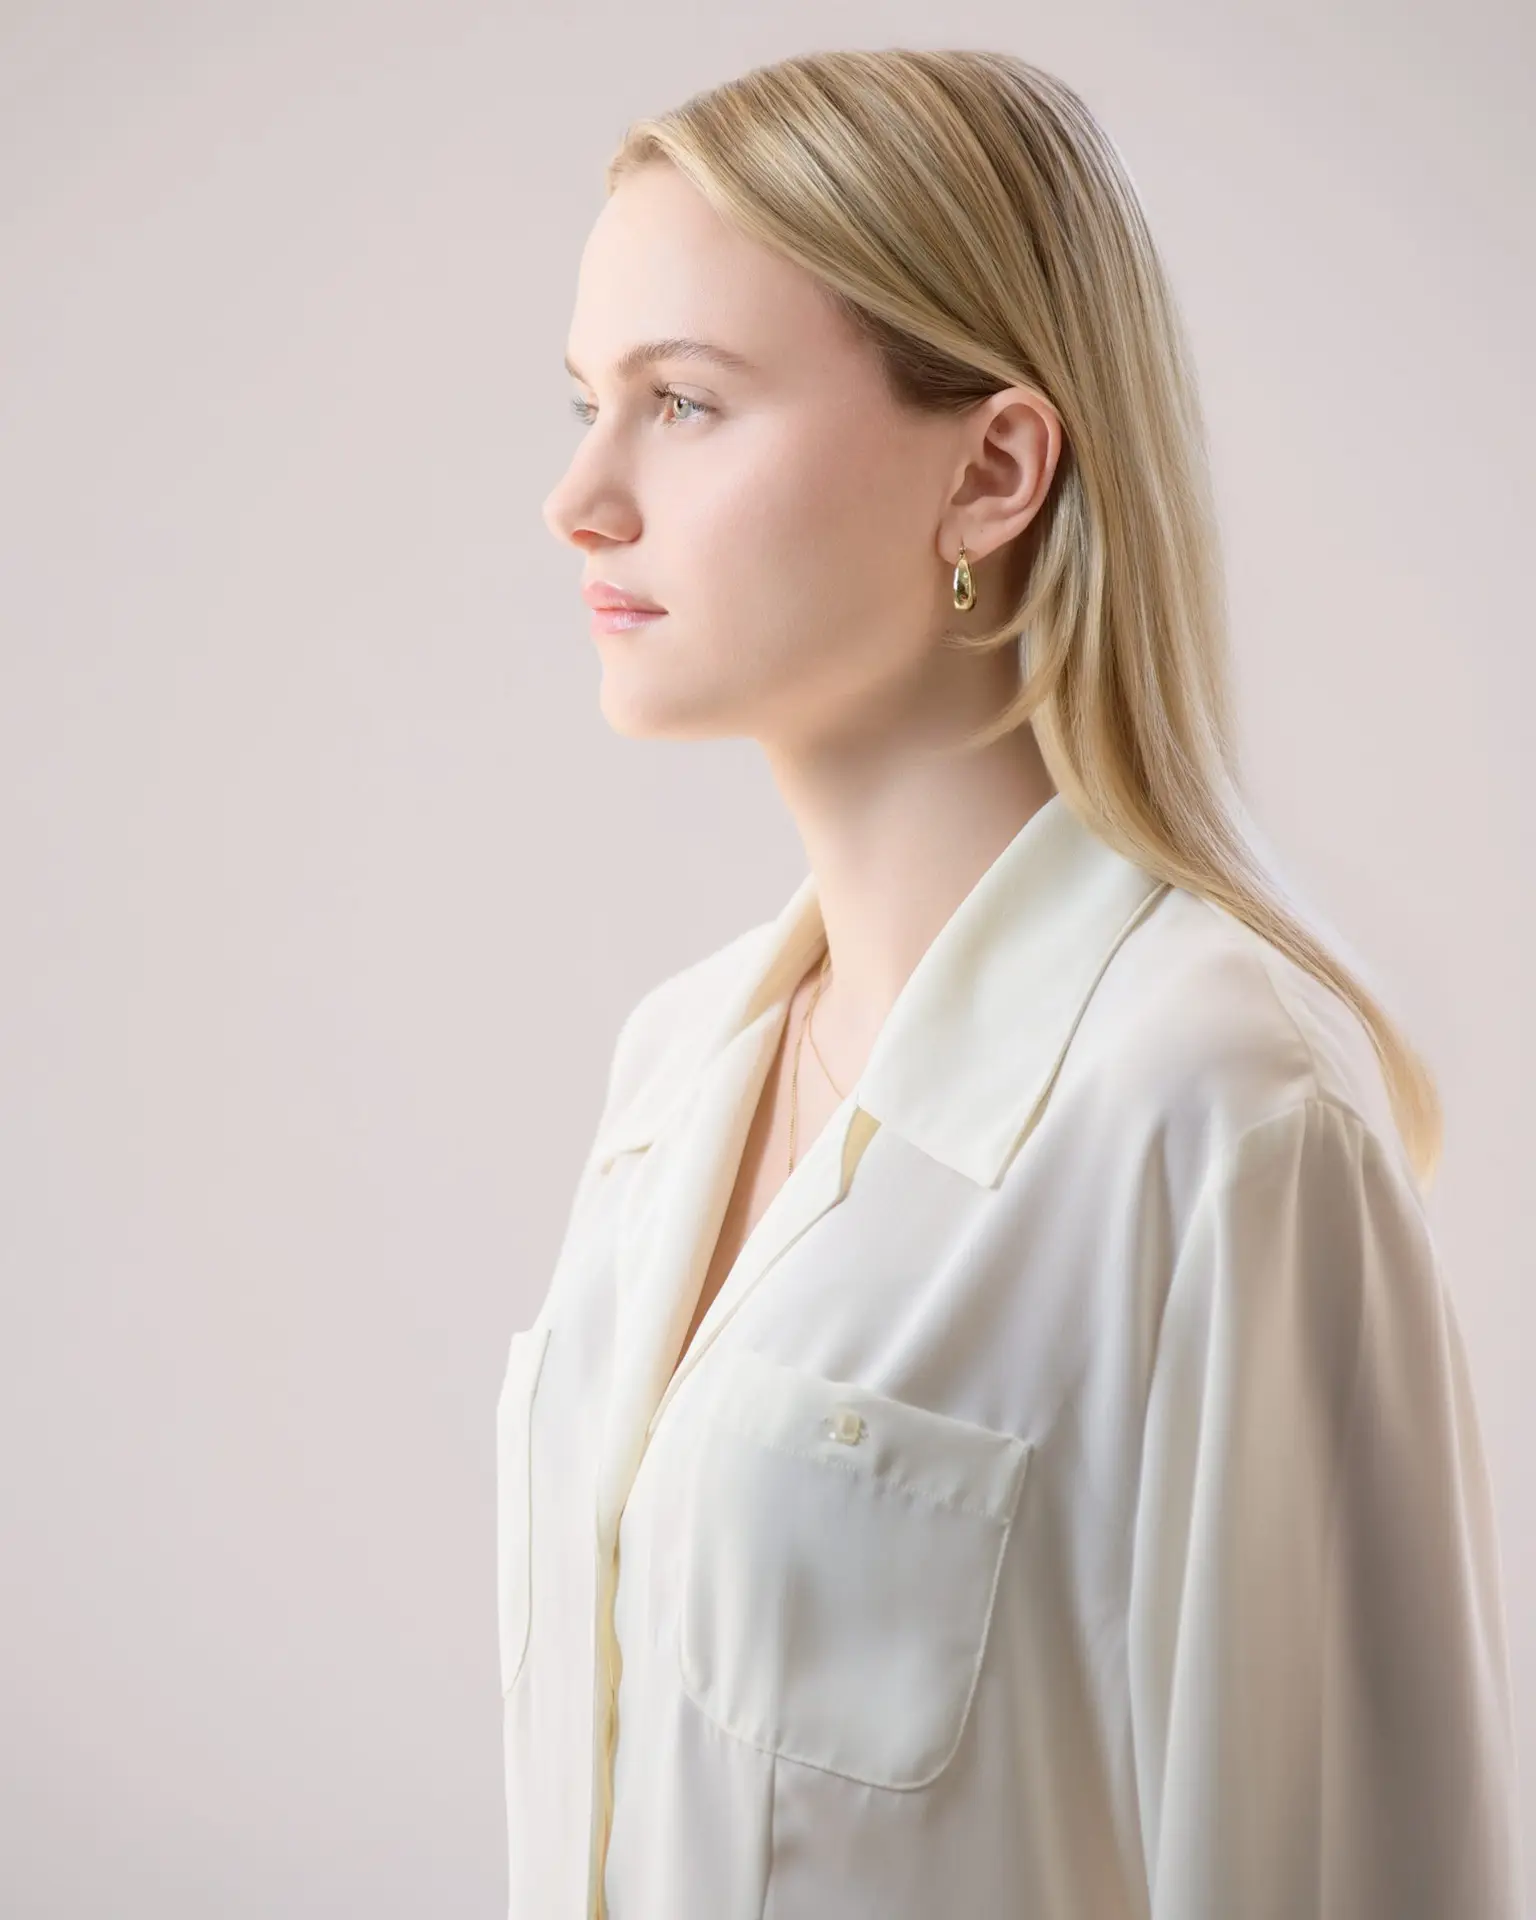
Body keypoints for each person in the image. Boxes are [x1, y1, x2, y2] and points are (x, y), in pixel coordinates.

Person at [502, 46, 1525, 1920]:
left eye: (686, 405)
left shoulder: (1220, 1116)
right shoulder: (677, 1068)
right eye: (586, 401)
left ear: (992, 470)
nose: (582, 495)